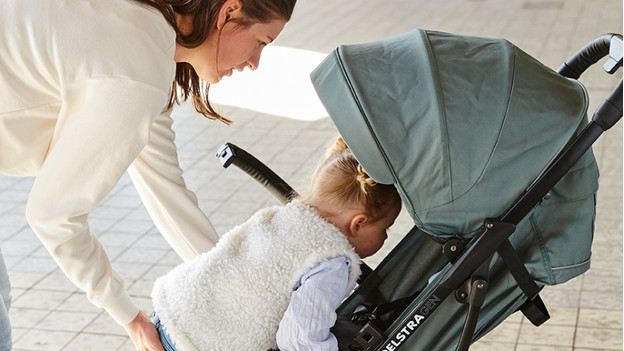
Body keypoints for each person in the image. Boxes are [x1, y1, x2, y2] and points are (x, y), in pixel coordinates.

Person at [0, 0, 296, 349]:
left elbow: (167, 192)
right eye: (261, 41)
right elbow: (52, 215)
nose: (254, 62)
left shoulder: (147, 37)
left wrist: (240, 289)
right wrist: (131, 318)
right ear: (229, 12)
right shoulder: (137, 68)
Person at [150, 138, 403, 350]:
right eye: (385, 228)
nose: (385, 237)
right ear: (357, 223)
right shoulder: (330, 262)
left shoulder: (279, 218)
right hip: (202, 342)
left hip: (174, 307)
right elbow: (300, 340)